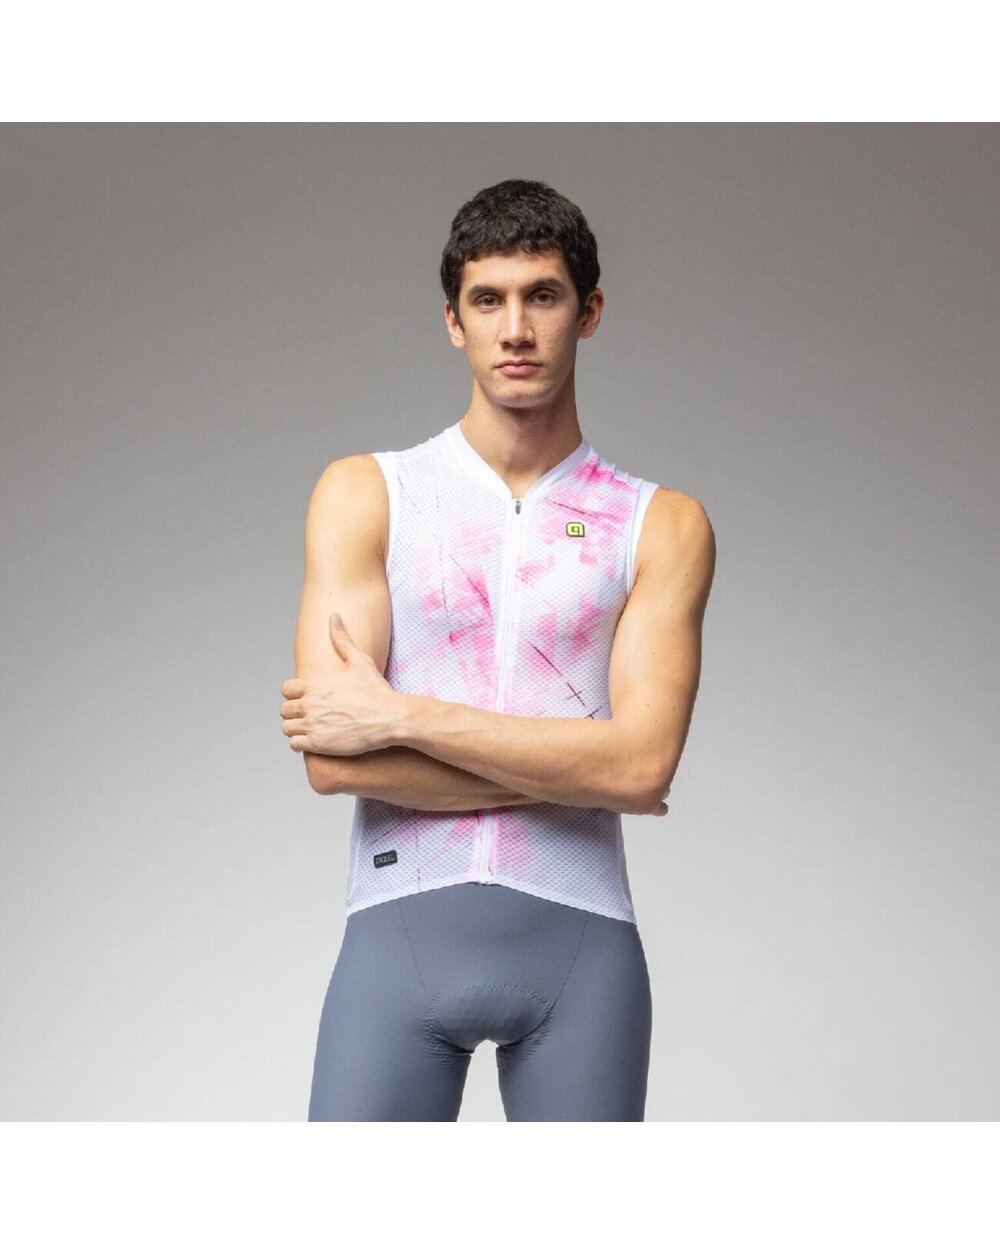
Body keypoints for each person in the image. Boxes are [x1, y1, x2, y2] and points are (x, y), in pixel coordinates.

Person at [280, 178, 716, 1121]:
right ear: (454, 321)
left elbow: (643, 768)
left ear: (588, 312)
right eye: (488, 300)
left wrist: (400, 717)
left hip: (583, 953)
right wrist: (586, 770)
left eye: (542, 296)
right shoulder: (367, 494)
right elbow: (332, 761)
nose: (515, 329)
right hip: (395, 940)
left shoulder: (660, 525)